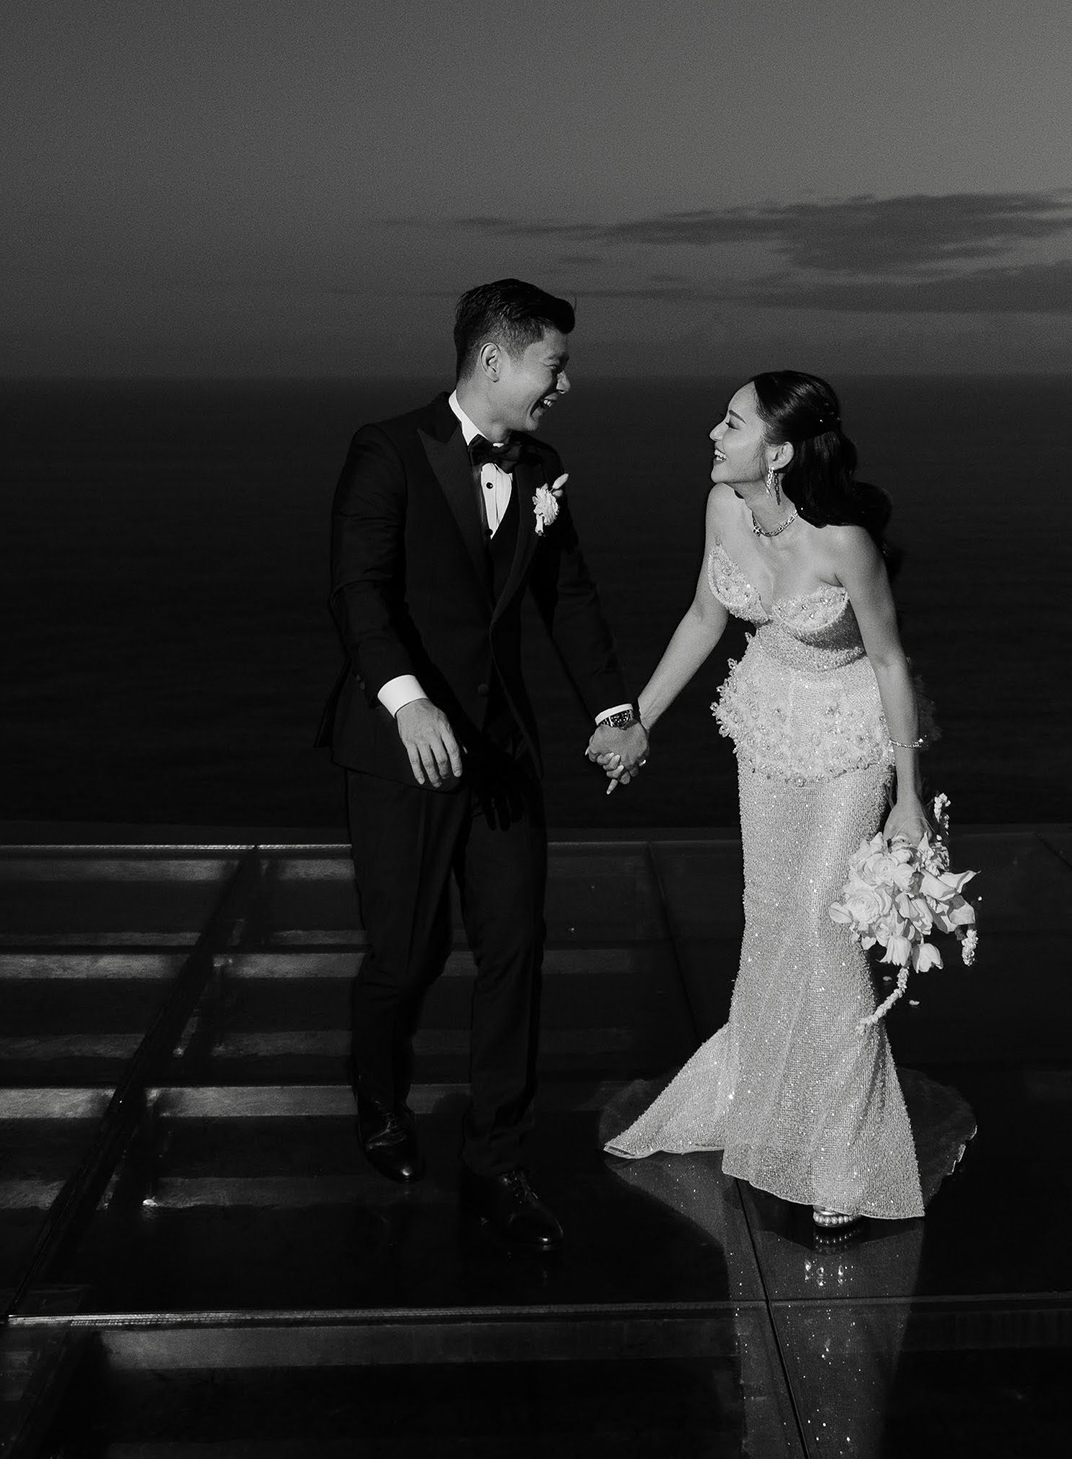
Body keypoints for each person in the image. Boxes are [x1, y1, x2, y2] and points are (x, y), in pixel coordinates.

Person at [602, 370, 973, 1235]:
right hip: (768, 722)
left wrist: (909, 796)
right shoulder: (723, 507)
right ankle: (763, 1106)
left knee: (820, 921)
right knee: (769, 912)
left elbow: (889, 662)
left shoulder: (845, 541)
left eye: (732, 423)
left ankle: (844, 1156)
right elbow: (704, 617)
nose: (713, 433)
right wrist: (637, 720)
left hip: (853, 734)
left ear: (779, 452)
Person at [321, 279, 647, 1252]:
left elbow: (569, 597)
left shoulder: (544, 467)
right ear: (496, 361)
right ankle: (379, 1095)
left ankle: (496, 1160)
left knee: (515, 949)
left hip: (502, 752)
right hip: (401, 750)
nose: (566, 386)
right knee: (405, 957)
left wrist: (614, 709)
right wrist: (407, 699)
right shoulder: (388, 450)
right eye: (555, 365)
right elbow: (358, 592)